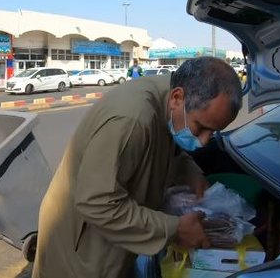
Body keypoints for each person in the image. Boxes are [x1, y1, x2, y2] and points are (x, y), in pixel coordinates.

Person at [32, 57, 243, 278]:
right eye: (200, 127)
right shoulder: (131, 121)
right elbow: (97, 203)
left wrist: (190, 173)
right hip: (81, 245)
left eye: (213, 132)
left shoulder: (169, 101)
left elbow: (166, 145)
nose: (204, 141)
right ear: (178, 97)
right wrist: (174, 229)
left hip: (109, 238)